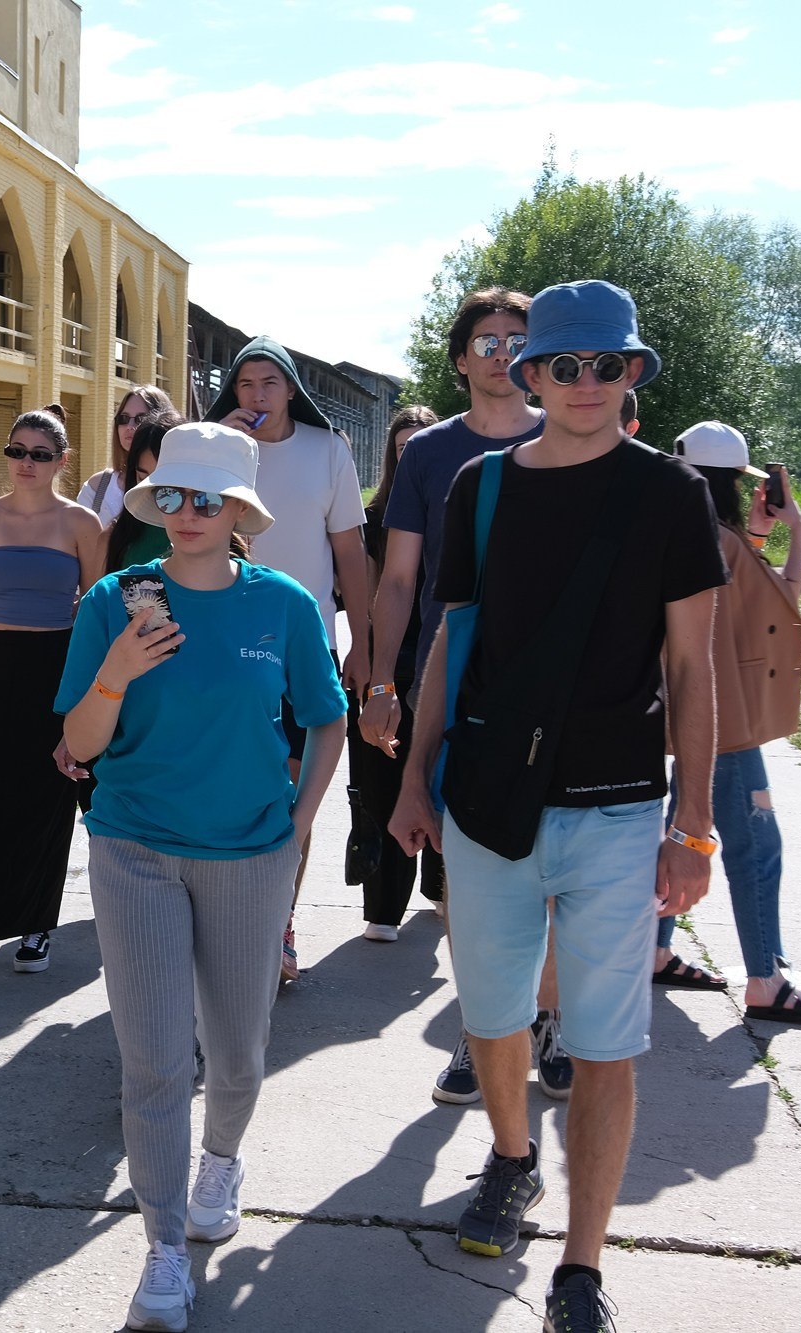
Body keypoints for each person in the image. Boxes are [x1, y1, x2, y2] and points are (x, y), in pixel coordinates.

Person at [389, 280, 726, 1331]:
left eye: (607, 365)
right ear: (526, 373)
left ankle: (580, 1267)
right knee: (490, 1016)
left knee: (604, 1039)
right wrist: (412, 773)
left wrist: (694, 822)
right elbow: (453, 636)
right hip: (489, 797)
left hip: (619, 807)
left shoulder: (669, 494)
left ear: (631, 375)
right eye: (562, 365)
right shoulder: (477, 489)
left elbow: (693, 667)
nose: (585, 384)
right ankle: (507, 1153)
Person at [58, 421, 344, 1332]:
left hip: (251, 854)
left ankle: (221, 1154)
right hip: (134, 848)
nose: (188, 514)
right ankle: (162, 1247)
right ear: (154, 502)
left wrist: (299, 824)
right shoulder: (113, 600)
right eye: (173, 496)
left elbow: (325, 717)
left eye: (208, 499)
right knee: (150, 1060)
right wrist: (116, 669)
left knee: (237, 1052)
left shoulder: (286, 605)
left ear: (240, 513)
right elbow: (77, 745)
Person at [362, 286, 553, 1104]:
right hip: (456, 681)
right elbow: (399, 578)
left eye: (518, 338)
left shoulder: (570, 434)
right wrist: (382, 682)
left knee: (549, 874)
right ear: (460, 358)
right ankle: (488, 1033)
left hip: (555, 689)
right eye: (487, 339)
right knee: (468, 879)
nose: (503, 352)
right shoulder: (430, 455)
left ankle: (544, 1020)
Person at [205, 336, 370, 981]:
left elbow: (350, 553)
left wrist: (365, 643)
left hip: (304, 644)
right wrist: (216, 445)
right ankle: (221, 923)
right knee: (224, 784)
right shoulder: (217, 449)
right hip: (217, 643)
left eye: (271, 382)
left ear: (292, 389)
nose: (257, 395)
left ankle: (278, 926)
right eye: (246, 383)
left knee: (292, 792)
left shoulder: (327, 450)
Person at [651, 421, 801, 1018]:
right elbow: (784, 597)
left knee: (679, 829)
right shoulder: (715, 539)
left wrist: (767, 532)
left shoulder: (704, 535)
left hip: (706, 715)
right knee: (755, 845)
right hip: (723, 723)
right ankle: (764, 981)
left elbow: (768, 597)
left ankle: (655, 951)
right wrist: (792, 527)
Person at [0, 407, 105, 985]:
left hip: (57, 668)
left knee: (45, 800)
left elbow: (98, 610)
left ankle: (36, 927)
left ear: (61, 461)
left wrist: (85, 687)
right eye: (16, 451)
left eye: (39, 453)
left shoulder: (82, 525)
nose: (25, 462)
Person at [345, 404, 441, 943]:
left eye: (421, 444)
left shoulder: (460, 504)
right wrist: (369, 666)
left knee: (440, 777)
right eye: (402, 448)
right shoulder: (377, 518)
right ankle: (383, 908)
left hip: (448, 655)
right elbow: (372, 597)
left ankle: (443, 886)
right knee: (381, 783)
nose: (412, 456)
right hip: (392, 659)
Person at [77, 384, 174, 520]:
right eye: (124, 418)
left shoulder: (176, 486)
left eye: (141, 419)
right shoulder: (97, 486)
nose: (130, 427)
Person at [105, 411, 186, 571]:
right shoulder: (113, 537)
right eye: (143, 478)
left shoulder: (213, 532)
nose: (153, 491)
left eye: (165, 481)